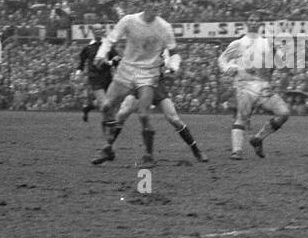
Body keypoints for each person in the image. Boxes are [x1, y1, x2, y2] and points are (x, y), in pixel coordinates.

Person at [91, 0, 179, 167]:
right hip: (126, 70)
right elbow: (110, 40)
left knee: (143, 114)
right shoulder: (129, 20)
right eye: (152, 1)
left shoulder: (165, 27)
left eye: (158, 1)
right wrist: (101, 55)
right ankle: (108, 148)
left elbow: (174, 52)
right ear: (144, 3)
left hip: (148, 73)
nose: (156, 4)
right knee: (106, 106)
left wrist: (173, 66)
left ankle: (148, 155)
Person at [112, 49, 207, 163]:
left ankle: (196, 151)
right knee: (122, 113)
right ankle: (107, 148)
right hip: (140, 85)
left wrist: (172, 66)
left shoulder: (161, 46)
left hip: (157, 86)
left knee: (174, 119)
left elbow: (173, 57)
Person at [218, 18, 290, 160]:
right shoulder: (238, 43)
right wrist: (230, 68)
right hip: (244, 85)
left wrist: (280, 53)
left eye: (257, 21)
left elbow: (283, 67)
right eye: (251, 20)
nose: (254, 22)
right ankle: (236, 151)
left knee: (284, 113)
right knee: (242, 116)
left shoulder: (267, 43)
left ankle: (258, 139)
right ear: (247, 23)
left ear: (260, 24)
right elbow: (222, 59)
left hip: (263, 88)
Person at [77, 35, 119, 123]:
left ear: (103, 31)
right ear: (93, 32)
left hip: (107, 77)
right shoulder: (88, 47)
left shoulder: (108, 46)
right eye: (96, 30)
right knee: (104, 103)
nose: (98, 32)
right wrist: (78, 72)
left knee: (108, 102)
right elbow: (82, 61)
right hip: (94, 77)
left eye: (100, 30)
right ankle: (109, 121)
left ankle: (88, 107)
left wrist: (113, 62)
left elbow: (116, 59)